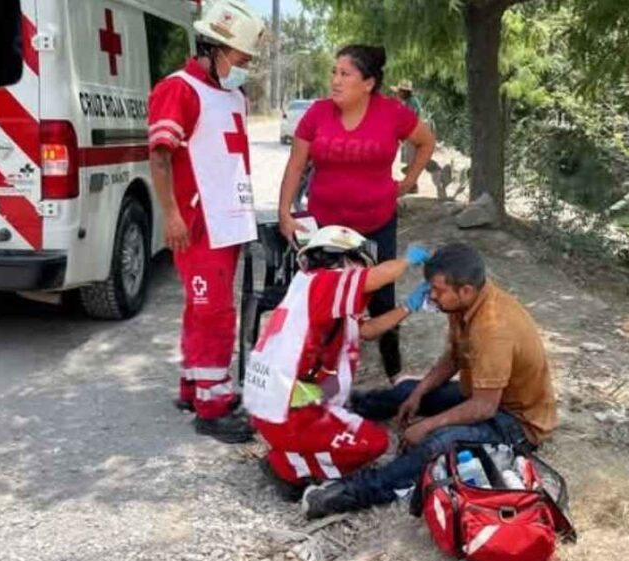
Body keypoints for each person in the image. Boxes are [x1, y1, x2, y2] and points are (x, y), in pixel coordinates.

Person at [300, 244, 559, 519]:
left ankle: (351, 492)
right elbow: (454, 358)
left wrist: (427, 425)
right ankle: (335, 408)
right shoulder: (467, 302)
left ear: (465, 290)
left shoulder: (493, 330)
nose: (432, 297)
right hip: (483, 395)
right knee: (406, 391)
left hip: (516, 421)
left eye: (438, 291)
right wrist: (418, 394)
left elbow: (483, 407)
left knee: (437, 442)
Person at [277, 45, 437, 383]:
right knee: (321, 301)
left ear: (368, 83)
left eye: (344, 74)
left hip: (376, 222)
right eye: (334, 72)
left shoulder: (393, 113)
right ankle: (309, 373)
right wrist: (284, 213)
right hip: (324, 230)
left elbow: (426, 142)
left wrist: (407, 182)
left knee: (381, 296)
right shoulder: (317, 114)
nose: (335, 80)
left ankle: (394, 372)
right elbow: (295, 165)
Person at [147, 0, 267, 444]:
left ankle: (195, 384)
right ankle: (212, 406)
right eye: (240, 55)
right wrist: (172, 215)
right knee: (213, 312)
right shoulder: (178, 89)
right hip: (199, 224)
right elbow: (159, 157)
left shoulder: (231, 93)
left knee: (205, 309)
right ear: (214, 48)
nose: (245, 64)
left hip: (227, 222)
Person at [244, 226, 433, 500]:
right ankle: (286, 466)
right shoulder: (325, 282)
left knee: (363, 417)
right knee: (373, 443)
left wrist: (408, 306)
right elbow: (374, 279)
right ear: (345, 258)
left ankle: (294, 450)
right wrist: (407, 260)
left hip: (277, 403)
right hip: (291, 411)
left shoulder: (310, 291)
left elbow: (365, 330)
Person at [393, 80, 421, 182]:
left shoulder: (411, 102)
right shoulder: (410, 101)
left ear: (405, 92)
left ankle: (413, 184)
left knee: (411, 159)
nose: (398, 94)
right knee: (410, 159)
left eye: (400, 91)